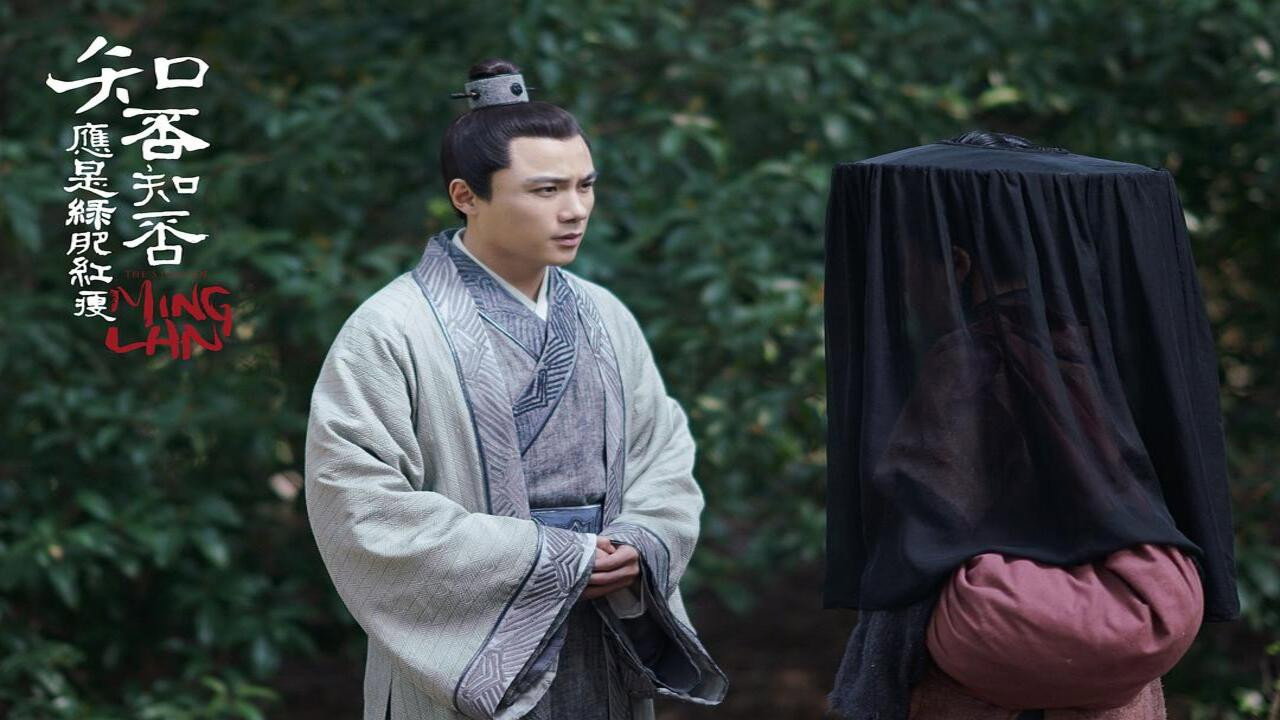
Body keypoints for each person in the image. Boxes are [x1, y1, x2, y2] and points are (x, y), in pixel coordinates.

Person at [304, 58, 727, 720]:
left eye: (585, 186)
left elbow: (664, 453)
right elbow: (359, 504)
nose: (575, 209)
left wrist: (642, 540)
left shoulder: (604, 315)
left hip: (603, 636)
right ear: (466, 196)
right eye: (545, 189)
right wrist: (551, 559)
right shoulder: (390, 329)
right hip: (474, 651)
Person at [823, 131, 1238, 719]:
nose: (906, 291)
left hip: (1001, 646)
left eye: (909, 269)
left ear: (958, 266)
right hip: (1132, 620)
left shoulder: (970, 362)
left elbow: (927, 506)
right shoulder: (1098, 357)